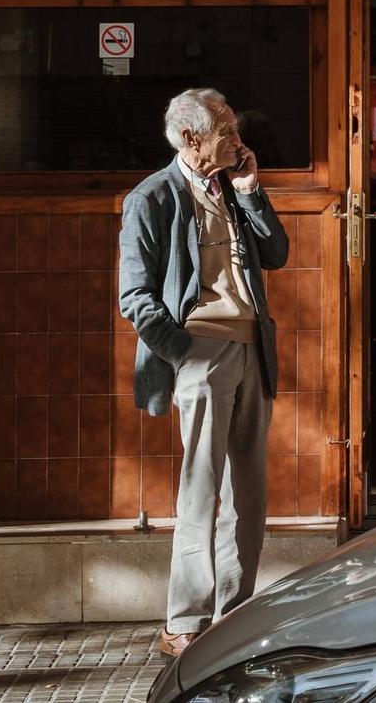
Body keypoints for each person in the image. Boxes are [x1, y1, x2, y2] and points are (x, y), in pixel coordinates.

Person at [118, 88, 289, 658]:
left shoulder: (232, 188)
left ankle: (234, 617)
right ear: (190, 138)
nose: (238, 141)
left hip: (251, 350)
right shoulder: (153, 197)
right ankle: (184, 622)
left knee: (250, 493)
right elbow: (135, 296)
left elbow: (277, 254)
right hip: (202, 352)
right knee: (201, 489)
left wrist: (251, 190)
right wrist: (182, 351)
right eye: (226, 131)